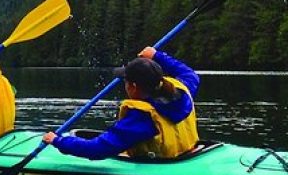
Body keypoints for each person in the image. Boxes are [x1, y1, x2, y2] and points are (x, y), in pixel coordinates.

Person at [42, 47, 199, 160]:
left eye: (125, 81)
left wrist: (58, 141)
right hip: (188, 153)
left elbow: (97, 149)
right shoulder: (182, 90)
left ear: (133, 87)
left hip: (162, 164)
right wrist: (157, 55)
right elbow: (189, 73)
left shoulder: (142, 117)